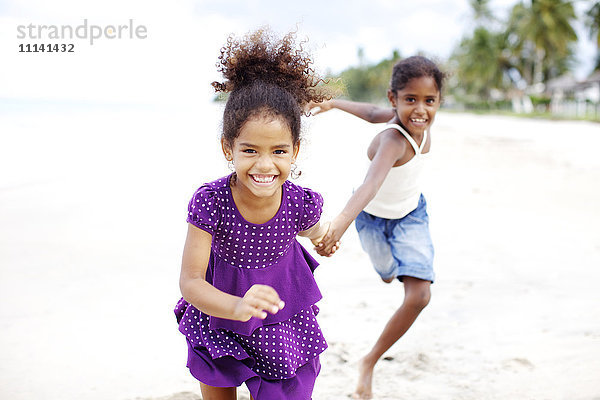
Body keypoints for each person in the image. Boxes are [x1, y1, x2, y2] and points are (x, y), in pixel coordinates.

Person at [174, 28, 336, 400]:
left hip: (280, 322)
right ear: (227, 147)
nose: (265, 165)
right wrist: (236, 306)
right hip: (218, 317)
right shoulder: (211, 201)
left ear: (295, 149)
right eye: (250, 150)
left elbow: (317, 230)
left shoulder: (298, 203)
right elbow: (191, 282)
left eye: (278, 151)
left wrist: (327, 239)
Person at [308, 55, 444, 400]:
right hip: (371, 219)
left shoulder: (414, 122)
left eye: (429, 100)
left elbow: (368, 113)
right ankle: (389, 269)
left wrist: (333, 103)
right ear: (393, 99)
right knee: (387, 274)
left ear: (439, 100)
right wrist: (336, 227)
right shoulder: (393, 140)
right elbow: (370, 186)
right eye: (410, 99)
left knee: (419, 295)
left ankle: (369, 361)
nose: (420, 110)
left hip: (412, 216)